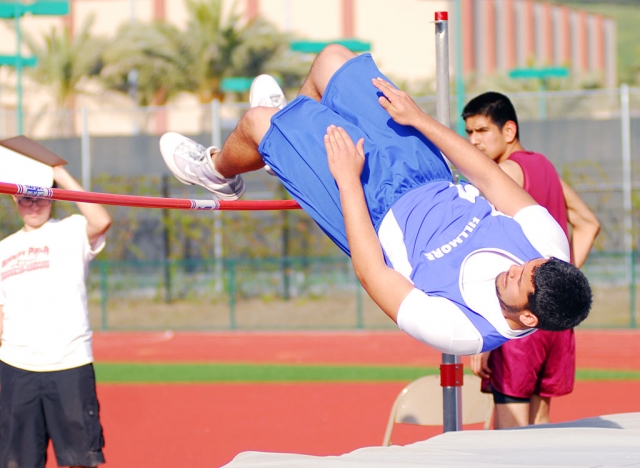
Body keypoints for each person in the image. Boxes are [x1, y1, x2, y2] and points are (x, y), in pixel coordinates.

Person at [159, 44, 592, 356]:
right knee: (332, 59)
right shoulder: (550, 248)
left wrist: (348, 180)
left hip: (372, 209)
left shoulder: (463, 331)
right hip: (427, 173)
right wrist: (419, 120)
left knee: (257, 122)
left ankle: (217, 171)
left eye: (518, 280)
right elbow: (490, 178)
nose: (515, 268)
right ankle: (291, 137)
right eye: (526, 265)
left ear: (528, 318)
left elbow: (372, 274)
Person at [463, 92, 600, 428]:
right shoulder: (545, 168)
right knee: (542, 432)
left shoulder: (504, 174)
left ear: (508, 131)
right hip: (553, 319)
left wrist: (488, 331)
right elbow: (588, 223)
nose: (473, 141)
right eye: (468, 132)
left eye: (481, 131)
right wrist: (557, 281)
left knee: (511, 438)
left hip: (521, 317)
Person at [0, 165, 111, 468]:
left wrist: (59, 175)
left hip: (69, 364)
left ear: (53, 198)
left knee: (79, 460)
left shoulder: (72, 230)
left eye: (41, 198)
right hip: (16, 367)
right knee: (15, 462)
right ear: (14, 201)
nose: (33, 205)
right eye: (25, 199)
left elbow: (101, 220)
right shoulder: (3, 249)